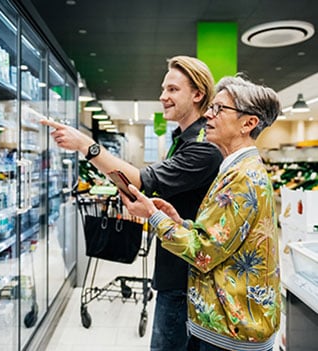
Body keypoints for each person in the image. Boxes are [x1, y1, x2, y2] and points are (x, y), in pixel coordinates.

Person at [40, 55, 223, 351]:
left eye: (173, 89)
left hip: (184, 278)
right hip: (175, 268)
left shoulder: (203, 147)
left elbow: (140, 179)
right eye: (163, 89)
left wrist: (85, 145)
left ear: (198, 94)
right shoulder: (183, 139)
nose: (163, 96)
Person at [120, 75, 281, 351]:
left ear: (248, 123)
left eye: (219, 109)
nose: (208, 113)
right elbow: (220, 238)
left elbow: (203, 253)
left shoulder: (242, 176)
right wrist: (178, 221)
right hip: (226, 324)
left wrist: (153, 217)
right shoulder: (236, 169)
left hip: (231, 332)